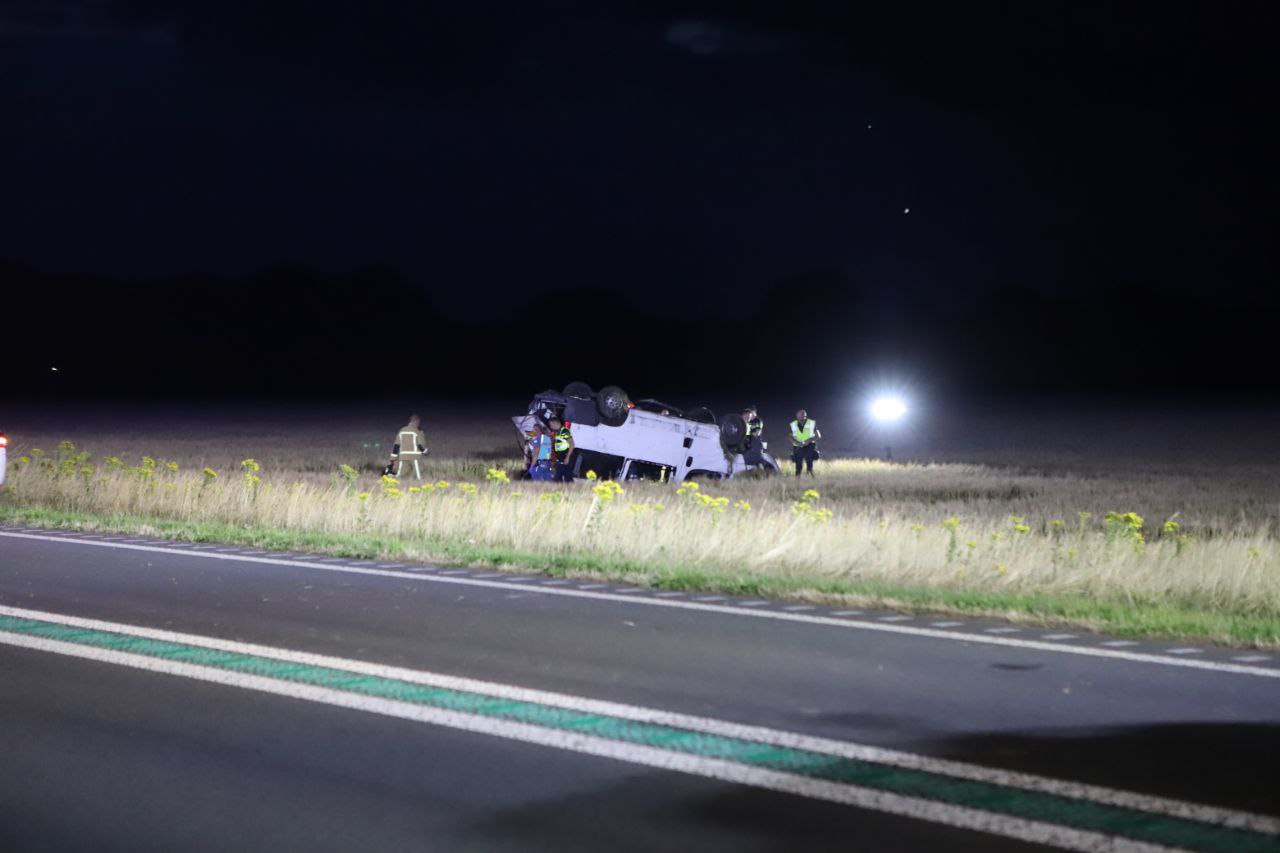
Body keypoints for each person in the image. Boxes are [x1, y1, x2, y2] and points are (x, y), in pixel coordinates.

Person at [391, 414, 428, 480]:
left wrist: (393, 457)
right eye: (418, 422)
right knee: (419, 472)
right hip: (415, 457)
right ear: (416, 421)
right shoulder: (417, 431)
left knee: (400, 474)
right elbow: (420, 445)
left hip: (403, 456)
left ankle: (392, 481)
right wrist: (425, 451)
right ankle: (416, 482)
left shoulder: (402, 430)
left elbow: (396, 445)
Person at [789, 408, 821, 477]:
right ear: (797, 416)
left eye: (802, 416)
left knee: (809, 462)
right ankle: (797, 479)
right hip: (798, 446)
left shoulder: (812, 423)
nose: (801, 418)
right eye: (799, 416)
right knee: (798, 464)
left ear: (805, 416)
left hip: (809, 445)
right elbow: (790, 437)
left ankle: (810, 477)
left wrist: (809, 440)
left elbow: (818, 436)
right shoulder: (793, 424)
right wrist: (797, 443)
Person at [550, 416, 575, 482]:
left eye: (551, 425)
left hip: (565, 458)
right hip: (560, 459)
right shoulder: (558, 432)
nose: (551, 427)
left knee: (562, 478)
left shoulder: (564, 431)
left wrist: (567, 458)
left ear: (555, 423)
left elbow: (572, 444)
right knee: (564, 478)